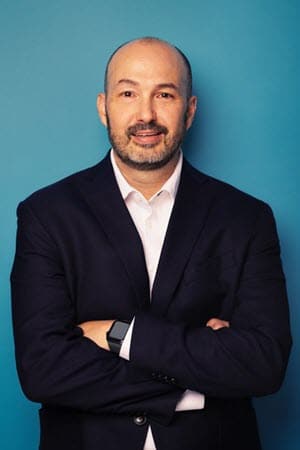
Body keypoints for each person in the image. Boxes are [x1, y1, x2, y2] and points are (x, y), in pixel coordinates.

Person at [11, 37, 291, 450]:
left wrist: (121, 336)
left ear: (190, 110)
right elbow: (43, 369)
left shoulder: (246, 218)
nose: (146, 114)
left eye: (164, 94)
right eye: (128, 93)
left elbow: (263, 364)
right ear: (104, 106)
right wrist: (199, 383)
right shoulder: (46, 215)